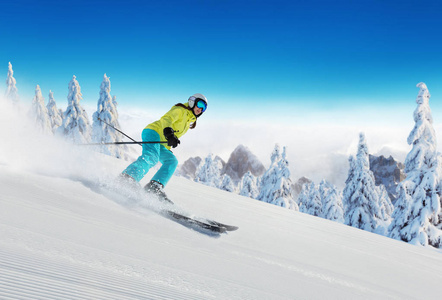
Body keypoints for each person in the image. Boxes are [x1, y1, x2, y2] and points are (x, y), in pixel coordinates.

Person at [120, 93, 208, 203]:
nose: (200, 109)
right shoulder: (180, 110)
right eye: (199, 104)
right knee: (152, 157)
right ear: (192, 101)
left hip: (161, 143)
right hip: (153, 132)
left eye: (204, 108)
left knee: (172, 161)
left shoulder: (189, 120)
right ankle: (127, 178)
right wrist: (169, 133)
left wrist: (170, 142)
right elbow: (167, 119)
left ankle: (154, 187)